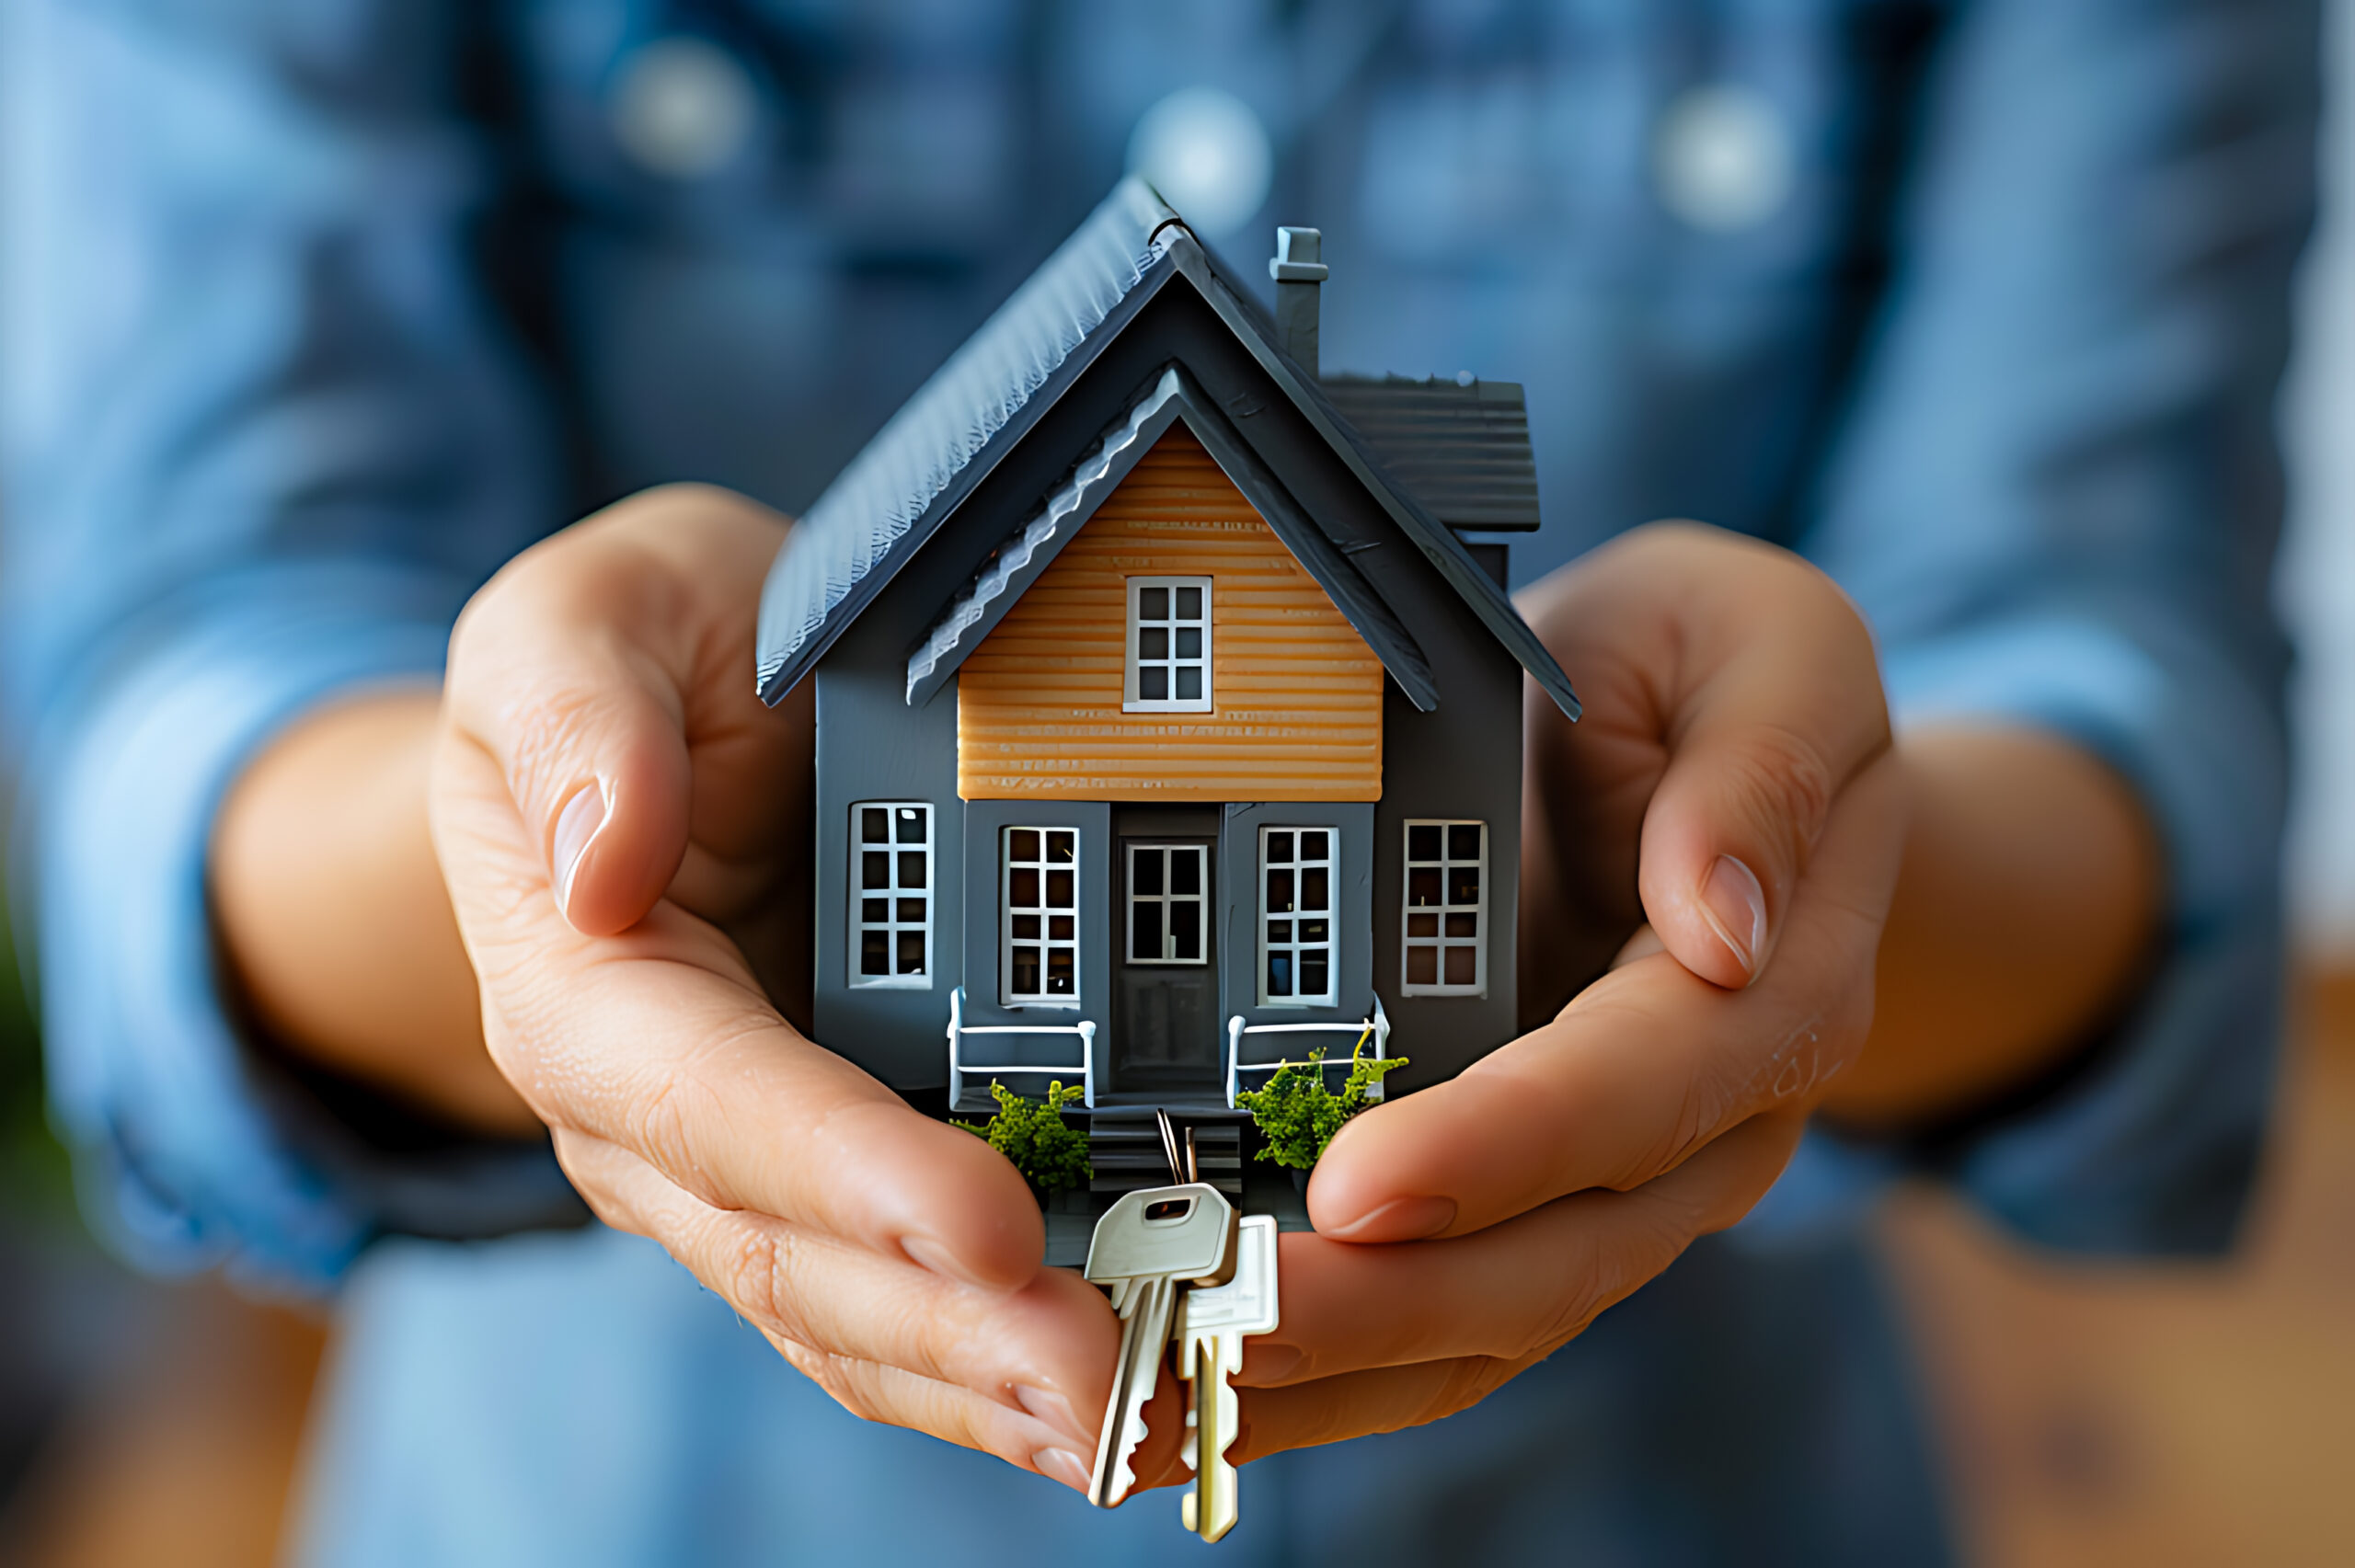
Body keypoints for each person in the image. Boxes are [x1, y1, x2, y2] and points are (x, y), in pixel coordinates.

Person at [0, 1, 2310, 1562]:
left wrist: (1768, 875)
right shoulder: (1004, 820)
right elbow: (201, 628)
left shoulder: (1329, 761)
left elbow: (2111, 646)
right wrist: (556, 871)